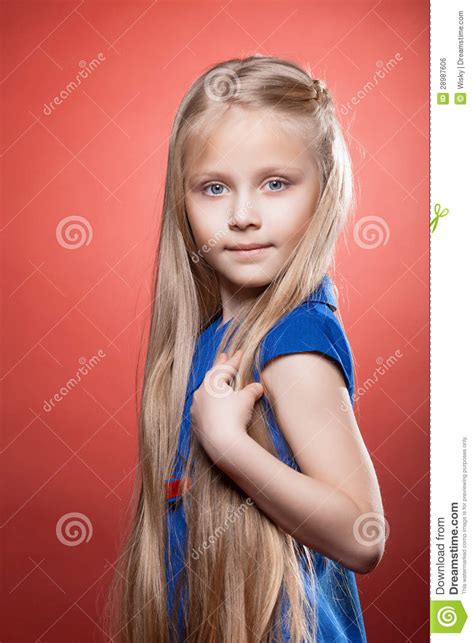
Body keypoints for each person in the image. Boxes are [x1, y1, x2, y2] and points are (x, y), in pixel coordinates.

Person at [106, 54, 385, 642]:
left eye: (276, 183)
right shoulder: (210, 340)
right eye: (214, 187)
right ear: (182, 203)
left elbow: (364, 535)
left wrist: (229, 445)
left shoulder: (293, 342)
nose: (242, 216)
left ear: (324, 193)